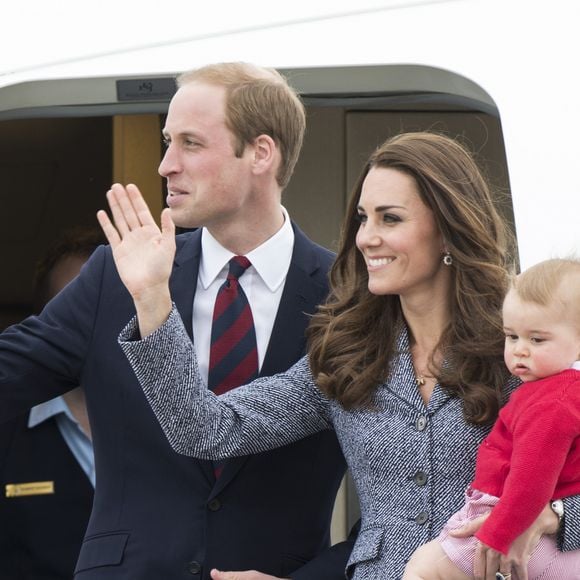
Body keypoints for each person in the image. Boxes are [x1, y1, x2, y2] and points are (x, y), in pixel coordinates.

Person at [100, 130, 580, 580]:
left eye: (390, 218)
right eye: (363, 219)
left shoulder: (524, 347)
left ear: (448, 230)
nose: (366, 237)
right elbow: (205, 430)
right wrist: (151, 300)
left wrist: (556, 516)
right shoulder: (347, 353)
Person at [0, 62, 350, 579]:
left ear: (260, 152)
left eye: (190, 143)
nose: (166, 164)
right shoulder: (112, 276)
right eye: (167, 141)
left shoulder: (347, 298)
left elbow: (404, 501)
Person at [402, 257, 580, 580]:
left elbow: (532, 479)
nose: (520, 350)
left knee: (424, 569)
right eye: (512, 337)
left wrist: (498, 533)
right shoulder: (549, 390)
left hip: (514, 526)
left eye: (537, 339)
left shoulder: (554, 402)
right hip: (532, 531)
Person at [0, 229, 103, 579]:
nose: (93, 324)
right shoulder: (7, 430)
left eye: (110, 304)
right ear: (42, 324)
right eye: (74, 308)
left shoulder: (177, 423)